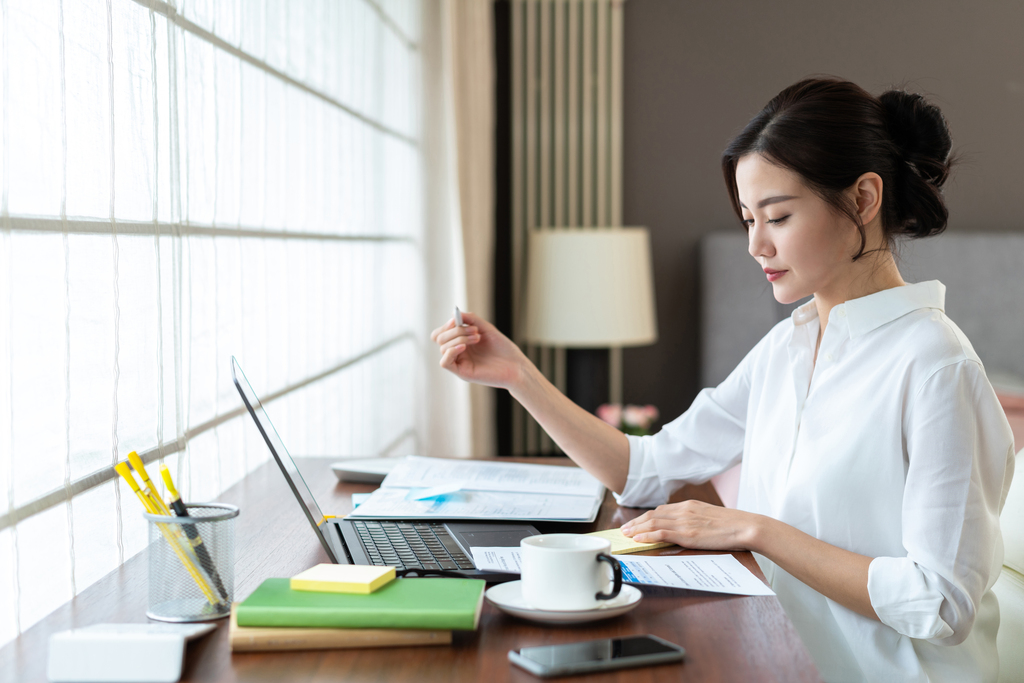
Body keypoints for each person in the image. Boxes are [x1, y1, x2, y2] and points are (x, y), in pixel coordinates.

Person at [431, 78, 1015, 682]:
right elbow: (646, 469)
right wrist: (518, 375)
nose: (756, 244)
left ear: (865, 198)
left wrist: (755, 530)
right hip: (775, 657)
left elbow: (941, 604)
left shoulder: (936, 366)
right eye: (747, 219)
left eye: (779, 217)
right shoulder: (791, 345)